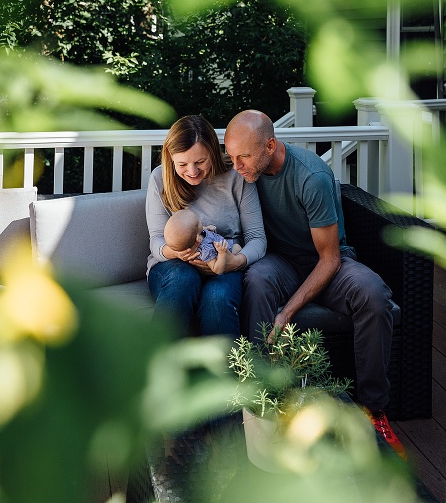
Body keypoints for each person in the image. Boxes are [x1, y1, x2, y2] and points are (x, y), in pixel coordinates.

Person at [224, 110, 406, 460]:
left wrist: (288, 310)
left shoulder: (312, 177)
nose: (236, 166)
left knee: (373, 292)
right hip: (280, 262)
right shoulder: (247, 170)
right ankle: (263, 400)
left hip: (328, 262)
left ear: (270, 145)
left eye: (243, 157)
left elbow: (330, 259)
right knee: (258, 280)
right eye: (231, 157)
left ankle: (374, 410)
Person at [146, 114, 266, 340]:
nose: (192, 171)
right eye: (182, 164)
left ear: (213, 151)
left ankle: (223, 372)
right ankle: (158, 367)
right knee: (184, 279)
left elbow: (257, 238)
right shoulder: (160, 179)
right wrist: (181, 254)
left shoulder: (235, 176)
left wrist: (234, 262)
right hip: (174, 265)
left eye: (200, 161)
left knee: (217, 297)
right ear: (171, 160)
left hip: (226, 262)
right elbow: (156, 239)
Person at [163, 209, 242, 275]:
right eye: (198, 223)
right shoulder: (206, 251)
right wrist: (222, 253)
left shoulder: (197, 237)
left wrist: (207, 228)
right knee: (238, 248)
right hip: (225, 253)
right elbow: (217, 270)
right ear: (197, 238)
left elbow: (201, 232)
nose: (200, 221)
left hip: (222, 243)